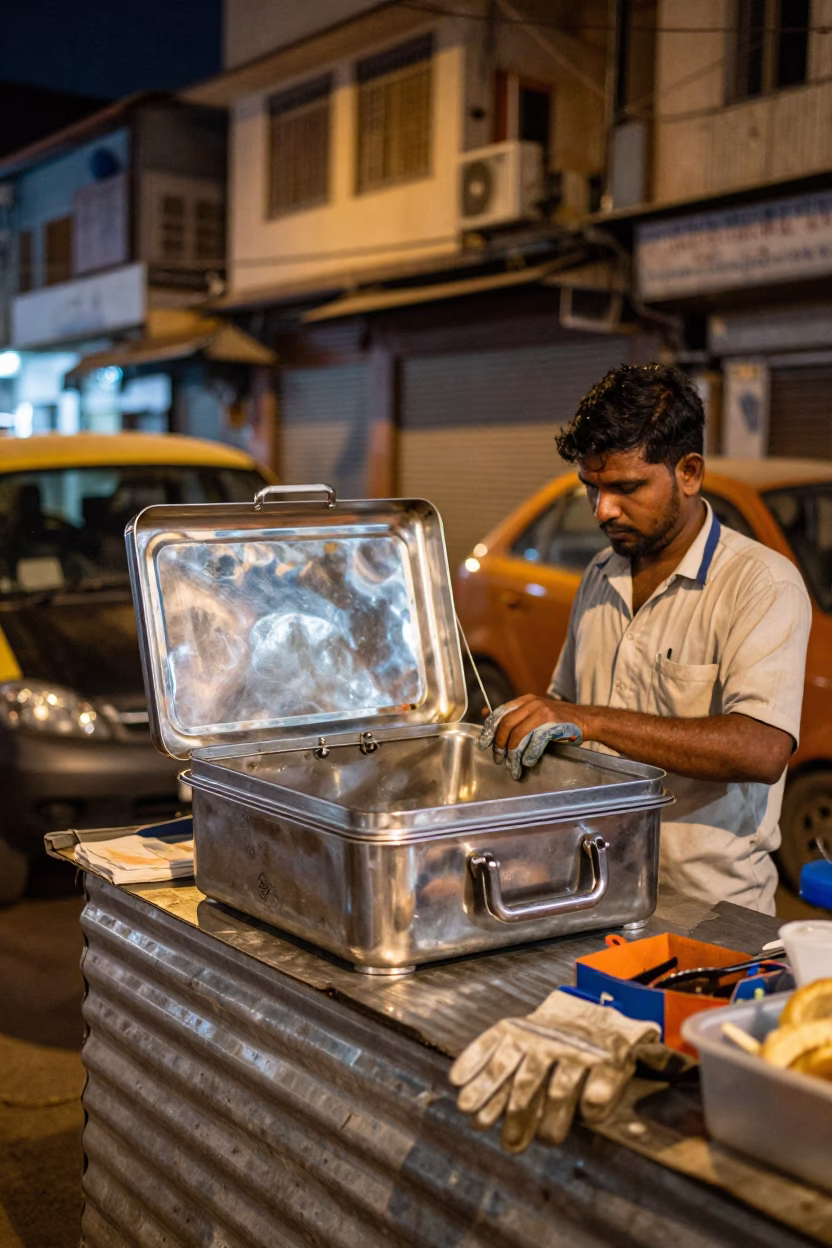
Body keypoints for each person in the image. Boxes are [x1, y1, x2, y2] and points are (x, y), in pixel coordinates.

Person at [478, 363, 812, 914]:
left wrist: (595, 719)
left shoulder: (761, 583)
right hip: (593, 889)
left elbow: (761, 749)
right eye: (592, 488)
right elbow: (568, 710)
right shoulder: (599, 574)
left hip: (711, 910)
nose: (603, 510)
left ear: (689, 471)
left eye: (626, 487)